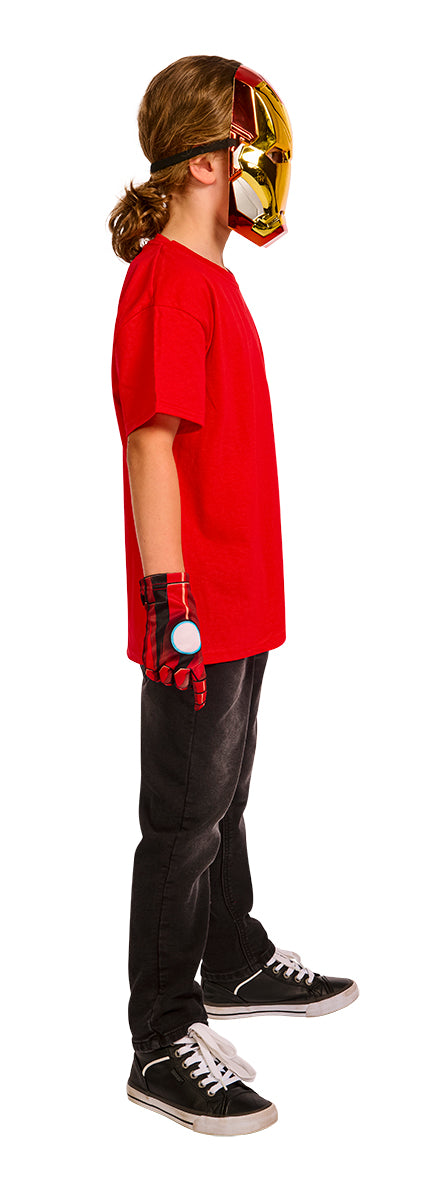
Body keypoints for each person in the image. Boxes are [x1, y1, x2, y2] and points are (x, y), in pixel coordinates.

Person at [108, 54, 359, 1137]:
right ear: (209, 164)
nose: (267, 171)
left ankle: (230, 955)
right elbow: (150, 445)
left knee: (222, 799)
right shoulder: (169, 281)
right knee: (182, 819)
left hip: (242, 601)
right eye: (253, 150)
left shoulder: (212, 281)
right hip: (197, 610)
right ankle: (162, 1036)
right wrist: (170, 601)